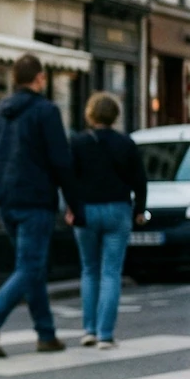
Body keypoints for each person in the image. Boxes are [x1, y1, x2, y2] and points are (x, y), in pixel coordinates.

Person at [0, 53, 85, 357]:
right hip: (35, 199)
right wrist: (74, 203)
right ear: (39, 78)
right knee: (30, 266)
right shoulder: (46, 112)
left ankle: (46, 334)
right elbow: (61, 162)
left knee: (30, 266)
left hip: (5, 200)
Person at [68, 92, 148, 349]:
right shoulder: (126, 143)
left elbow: (68, 178)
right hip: (117, 208)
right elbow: (140, 180)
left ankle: (88, 329)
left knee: (89, 270)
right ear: (115, 116)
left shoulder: (78, 143)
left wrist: (71, 207)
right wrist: (140, 209)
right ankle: (105, 334)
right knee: (111, 272)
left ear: (90, 115)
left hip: (86, 210)